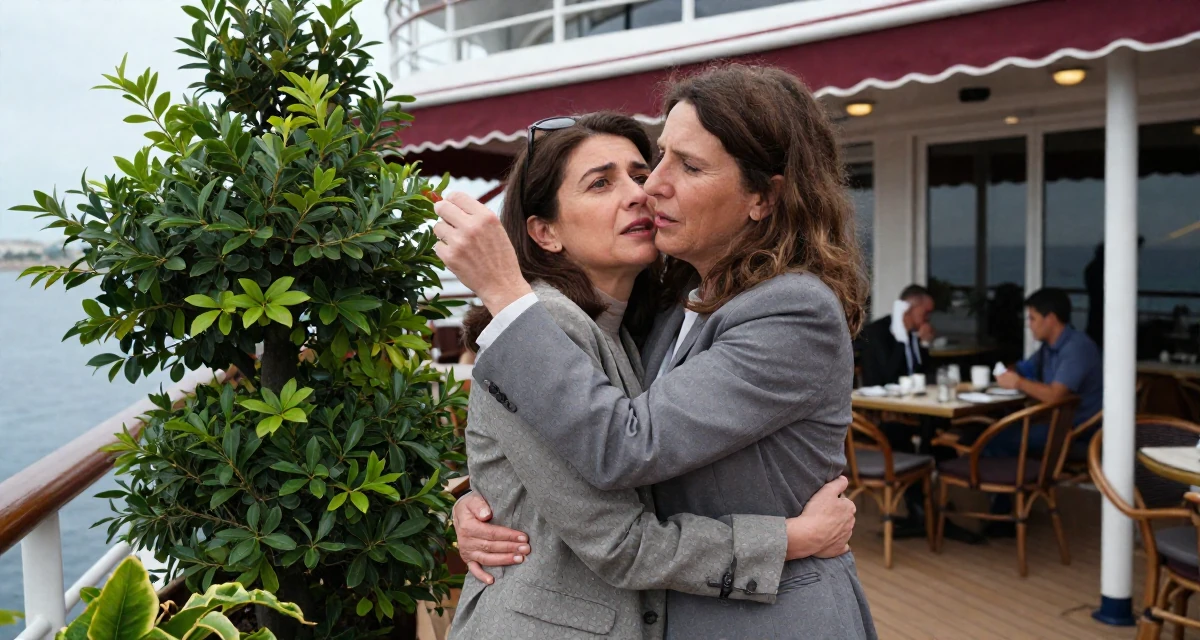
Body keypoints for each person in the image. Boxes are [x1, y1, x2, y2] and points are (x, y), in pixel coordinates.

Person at [435, 64, 876, 639]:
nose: (650, 188)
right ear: (545, 230)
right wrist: (484, 501)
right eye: (662, 156)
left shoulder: (791, 310)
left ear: (763, 198)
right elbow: (560, 434)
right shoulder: (674, 306)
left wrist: (504, 290)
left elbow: (625, 443)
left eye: (686, 166)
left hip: (769, 620)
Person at [994, 287, 1104, 456]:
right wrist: (1008, 372)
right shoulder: (1049, 348)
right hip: (1055, 423)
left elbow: (1055, 396)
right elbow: (1023, 368)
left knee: (995, 439)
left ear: (1050, 319)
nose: (1029, 325)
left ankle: (1014, 479)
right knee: (992, 431)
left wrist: (1018, 382)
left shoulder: (1076, 348)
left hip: (1079, 432)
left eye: (1032, 318)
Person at [858, 284, 935, 387]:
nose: (928, 318)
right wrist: (901, 338)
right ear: (909, 308)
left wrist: (924, 343)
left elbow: (924, 373)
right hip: (882, 398)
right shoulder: (877, 332)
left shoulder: (914, 333)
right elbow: (888, 376)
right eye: (926, 312)